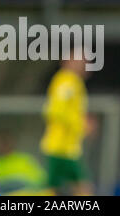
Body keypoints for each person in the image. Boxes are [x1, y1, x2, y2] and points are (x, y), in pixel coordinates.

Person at [40, 46, 96, 195]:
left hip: (64, 146)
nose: (85, 64)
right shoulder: (67, 81)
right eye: (82, 60)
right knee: (82, 187)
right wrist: (81, 124)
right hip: (62, 147)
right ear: (68, 61)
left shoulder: (72, 81)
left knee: (54, 187)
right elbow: (55, 110)